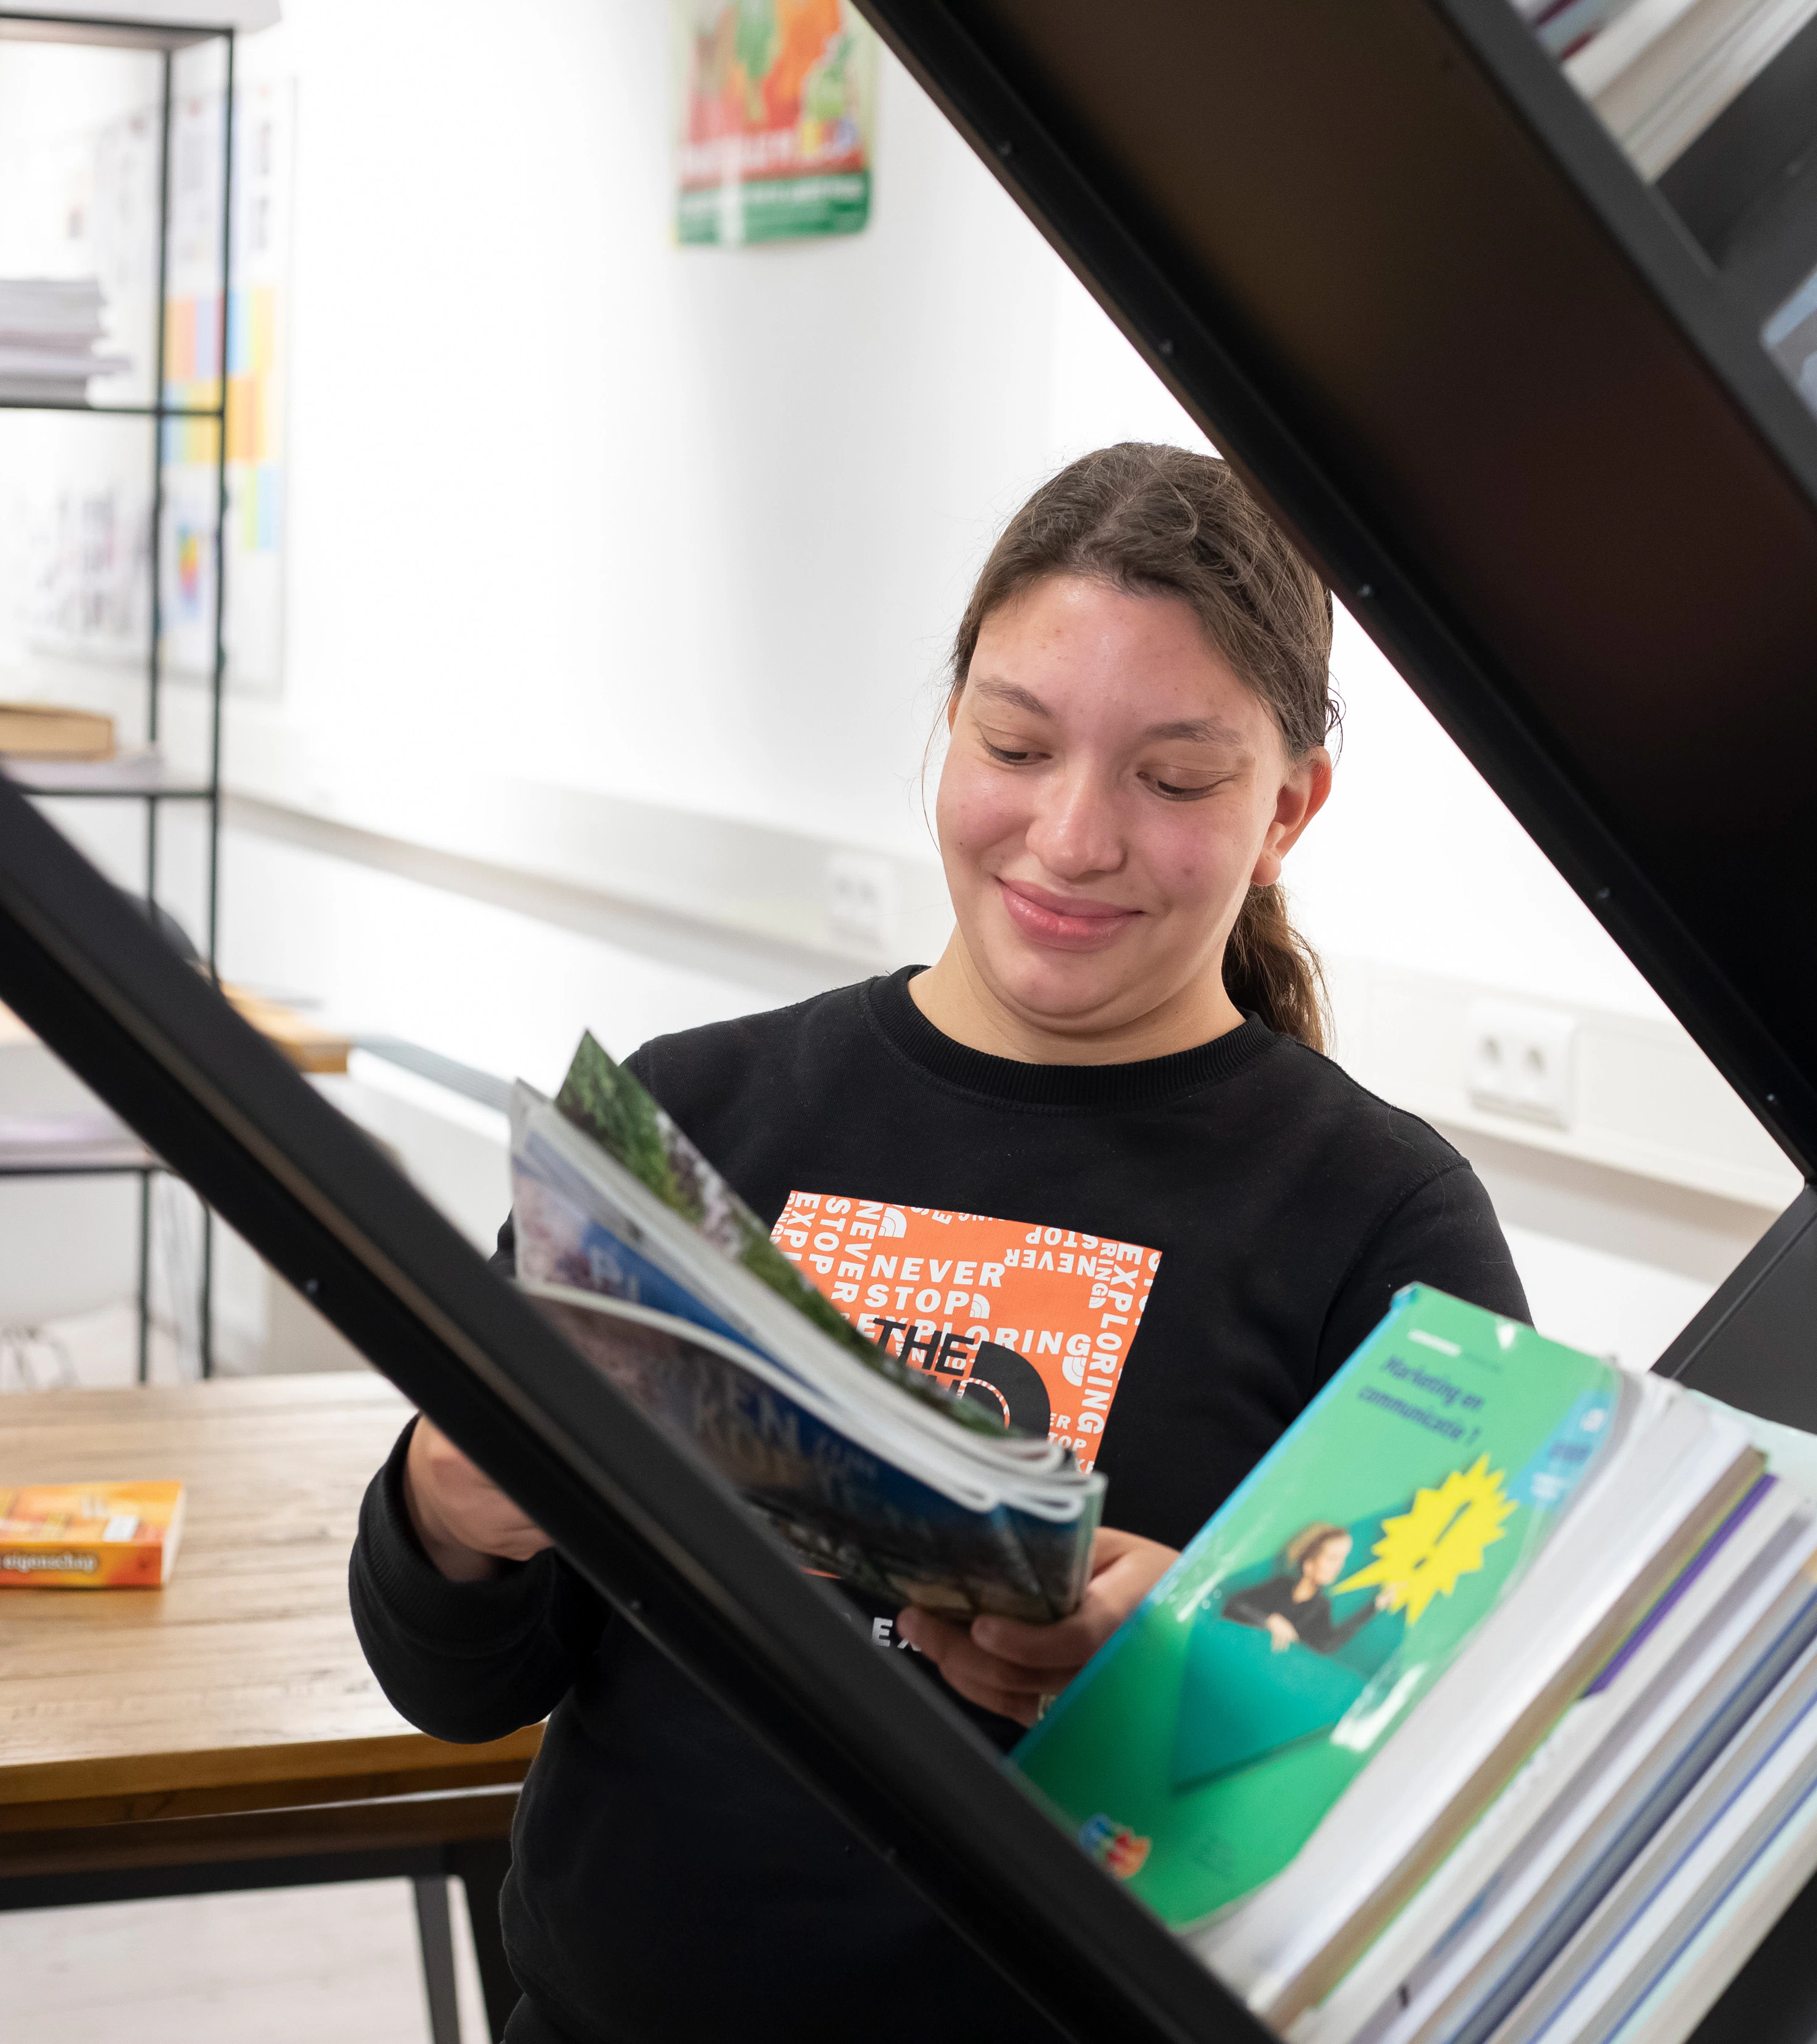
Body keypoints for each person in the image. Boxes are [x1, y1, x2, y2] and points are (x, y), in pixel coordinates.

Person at [350, 443, 1529, 2044]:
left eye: (1172, 778)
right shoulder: (691, 1112)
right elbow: (459, 1680)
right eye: (1014, 742)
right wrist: (444, 1505)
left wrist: (1195, 1664)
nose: (1068, 834)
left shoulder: (1379, 1218)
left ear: (1285, 809)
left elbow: (1445, 1806)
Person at [1222, 1522, 1384, 1655]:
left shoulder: (1320, 1607)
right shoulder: (1281, 1586)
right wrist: (1269, 1621)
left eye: (1342, 1560)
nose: (1339, 1567)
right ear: (1309, 1564)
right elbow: (1235, 1605)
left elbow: (1327, 1645)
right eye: (1332, 1559)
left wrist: (1374, 1607)